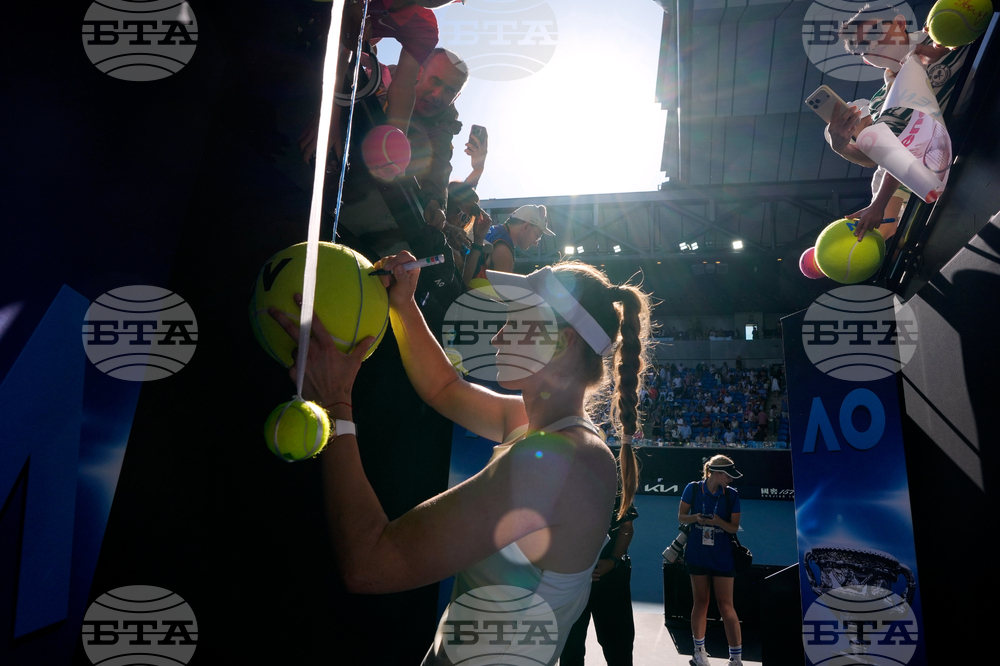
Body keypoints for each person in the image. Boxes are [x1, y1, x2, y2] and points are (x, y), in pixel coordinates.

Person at [269, 253, 652, 665]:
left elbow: (370, 563)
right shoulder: (543, 430)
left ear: (561, 342)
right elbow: (444, 388)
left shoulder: (561, 461)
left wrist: (336, 401)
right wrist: (403, 304)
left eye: (515, 322)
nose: (499, 335)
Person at [679, 455, 743, 666]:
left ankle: (735, 659)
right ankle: (699, 652)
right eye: (728, 476)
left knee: (726, 606)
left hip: (723, 557)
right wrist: (696, 518)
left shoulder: (732, 496)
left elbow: (733, 528)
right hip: (697, 554)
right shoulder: (693, 489)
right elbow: (681, 517)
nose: (731, 480)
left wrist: (718, 522)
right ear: (716, 473)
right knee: (701, 603)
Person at [560, 498, 637, 666]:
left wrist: (611, 561)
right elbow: (627, 528)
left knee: (572, 650)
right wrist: (612, 561)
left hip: (584, 582)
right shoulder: (612, 482)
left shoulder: (560, 484)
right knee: (616, 648)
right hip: (583, 582)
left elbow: (627, 527)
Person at [466, 205, 555, 283]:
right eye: (537, 236)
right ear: (526, 226)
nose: (536, 243)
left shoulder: (494, 231)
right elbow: (505, 295)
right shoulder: (504, 248)